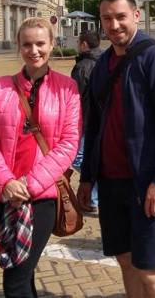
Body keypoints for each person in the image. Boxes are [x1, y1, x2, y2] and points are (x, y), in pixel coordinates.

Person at [77, 0, 155, 298]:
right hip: (110, 182)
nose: (114, 25)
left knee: (151, 269)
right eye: (107, 18)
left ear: (136, 15)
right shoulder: (102, 64)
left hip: (146, 183)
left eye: (121, 17)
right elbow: (94, 125)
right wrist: (87, 177)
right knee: (126, 260)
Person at [0, 17, 81, 297]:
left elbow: (68, 143)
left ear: (52, 44)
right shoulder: (1, 86)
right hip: (1, 194)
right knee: (24, 272)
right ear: (18, 46)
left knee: (15, 279)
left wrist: (28, 185)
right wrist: (6, 182)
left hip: (40, 196)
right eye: (27, 44)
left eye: (40, 43)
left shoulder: (67, 88)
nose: (34, 50)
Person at [71, 30, 102, 213]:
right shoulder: (105, 60)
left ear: (84, 44)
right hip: (99, 119)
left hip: (85, 119)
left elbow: (74, 96)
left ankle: (94, 196)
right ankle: (94, 197)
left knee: (78, 157)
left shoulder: (83, 66)